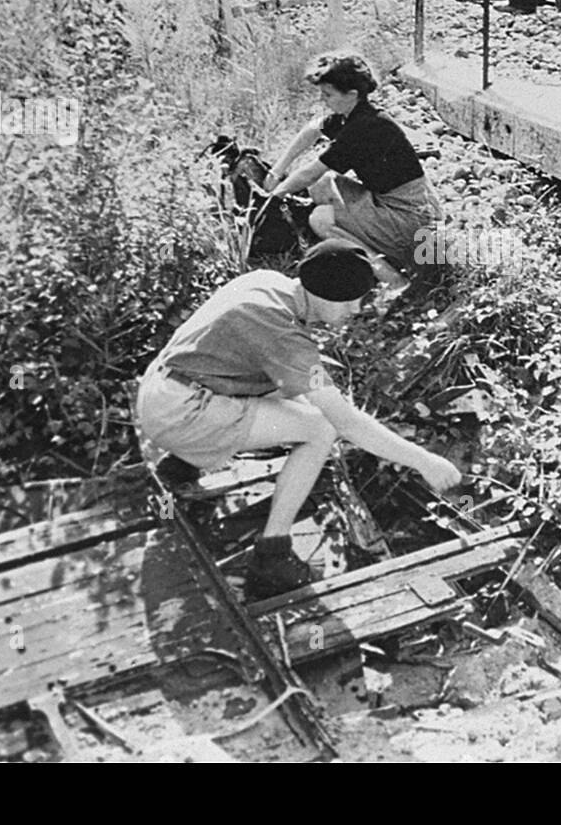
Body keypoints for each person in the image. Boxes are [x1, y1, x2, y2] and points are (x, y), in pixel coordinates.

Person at [136, 239, 461, 598]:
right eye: (350, 298)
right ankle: (272, 554)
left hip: (160, 388)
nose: (356, 308)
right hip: (179, 413)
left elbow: (254, 360)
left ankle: (179, 465)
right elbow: (346, 423)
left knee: (296, 402)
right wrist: (424, 461)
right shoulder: (283, 334)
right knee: (319, 429)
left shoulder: (265, 282)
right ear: (324, 294)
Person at [263, 52, 441, 287]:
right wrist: (276, 171)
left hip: (413, 221)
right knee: (323, 184)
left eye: (328, 94)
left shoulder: (363, 128)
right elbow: (313, 129)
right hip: (402, 206)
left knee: (321, 220)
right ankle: (370, 242)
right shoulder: (357, 114)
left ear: (352, 94)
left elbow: (309, 173)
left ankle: (392, 278)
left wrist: (272, 197)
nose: (322, 100)